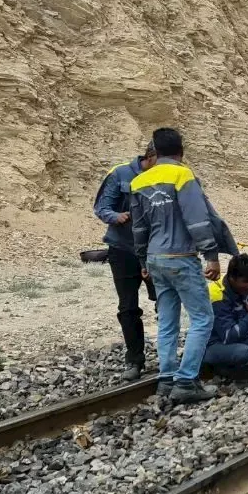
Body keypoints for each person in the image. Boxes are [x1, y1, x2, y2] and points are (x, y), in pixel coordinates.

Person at [132, 127, 239, 404]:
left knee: (167, 321)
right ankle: (186, 381)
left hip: (155, 259)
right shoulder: (183, 174)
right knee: (203, 318)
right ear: (181, 151)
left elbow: (139, 228)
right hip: (180, 258)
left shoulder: (139, 182)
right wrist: (211, 255)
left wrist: (143, 260)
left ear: (154, 151)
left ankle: (166, 379)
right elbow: (198, 219)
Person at [94, 143, 159, 381]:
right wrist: (116, 216)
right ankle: (134, 361)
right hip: (123, 251)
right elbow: (101, 208)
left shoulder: (165, 176)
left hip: (155, 252)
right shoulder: (120, 173)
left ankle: (168, 357)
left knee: (165, 303)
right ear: (150, 157)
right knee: (128, 308)